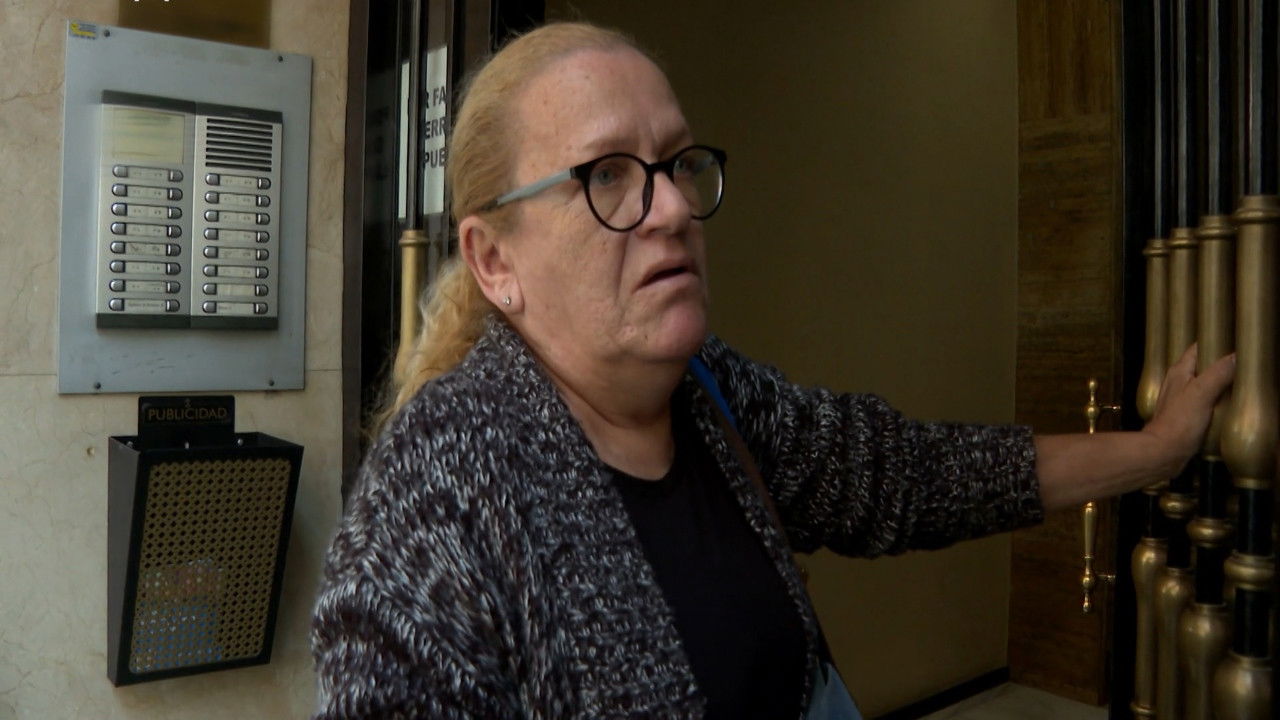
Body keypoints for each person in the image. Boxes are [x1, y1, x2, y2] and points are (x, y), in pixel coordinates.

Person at [310, 21, 1234, 720]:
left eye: (677, 163)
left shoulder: (708, 391)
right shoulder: (436, 498)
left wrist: (1153, 452)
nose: (673, 208)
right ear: (493, 259)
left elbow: (907, 475)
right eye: (608, 174)